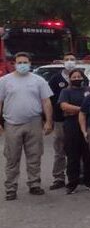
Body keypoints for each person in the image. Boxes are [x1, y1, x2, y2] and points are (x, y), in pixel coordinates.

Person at [0, 52, 54, 200]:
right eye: (19, 62)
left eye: (25, 62)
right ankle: (11, 188)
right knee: (12, 158)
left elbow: (46, 102)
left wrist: (48, 121)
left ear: (30, 63)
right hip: (12, 123)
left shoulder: (39, 80)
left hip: (34, 122)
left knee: (35, 155)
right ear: (14, 63)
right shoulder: (5, 81)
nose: (22, 65)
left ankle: (34, 184)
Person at [57, 68, 90, 193]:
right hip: (71, 124)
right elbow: (64, 106)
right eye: (74, 77)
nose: (77, 79)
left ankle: (89, 181)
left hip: (88, 124)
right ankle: (72, 183)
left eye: (79, 76)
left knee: (88, 154)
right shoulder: (66, 91)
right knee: (72, 155)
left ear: (83, 78)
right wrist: (83, 109)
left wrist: (81, 110)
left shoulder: (89, 90)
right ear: (70, 79)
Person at [47, 53, 80, 190]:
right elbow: (50, 99)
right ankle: (58, 177)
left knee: (80, 148)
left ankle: (81, 175)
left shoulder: (80, 77)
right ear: (63, 62)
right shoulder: (55, 79)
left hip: (78, 119)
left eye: (72, 60)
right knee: (60, 149)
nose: (70, 62)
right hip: (60, 120)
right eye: (67, 60)